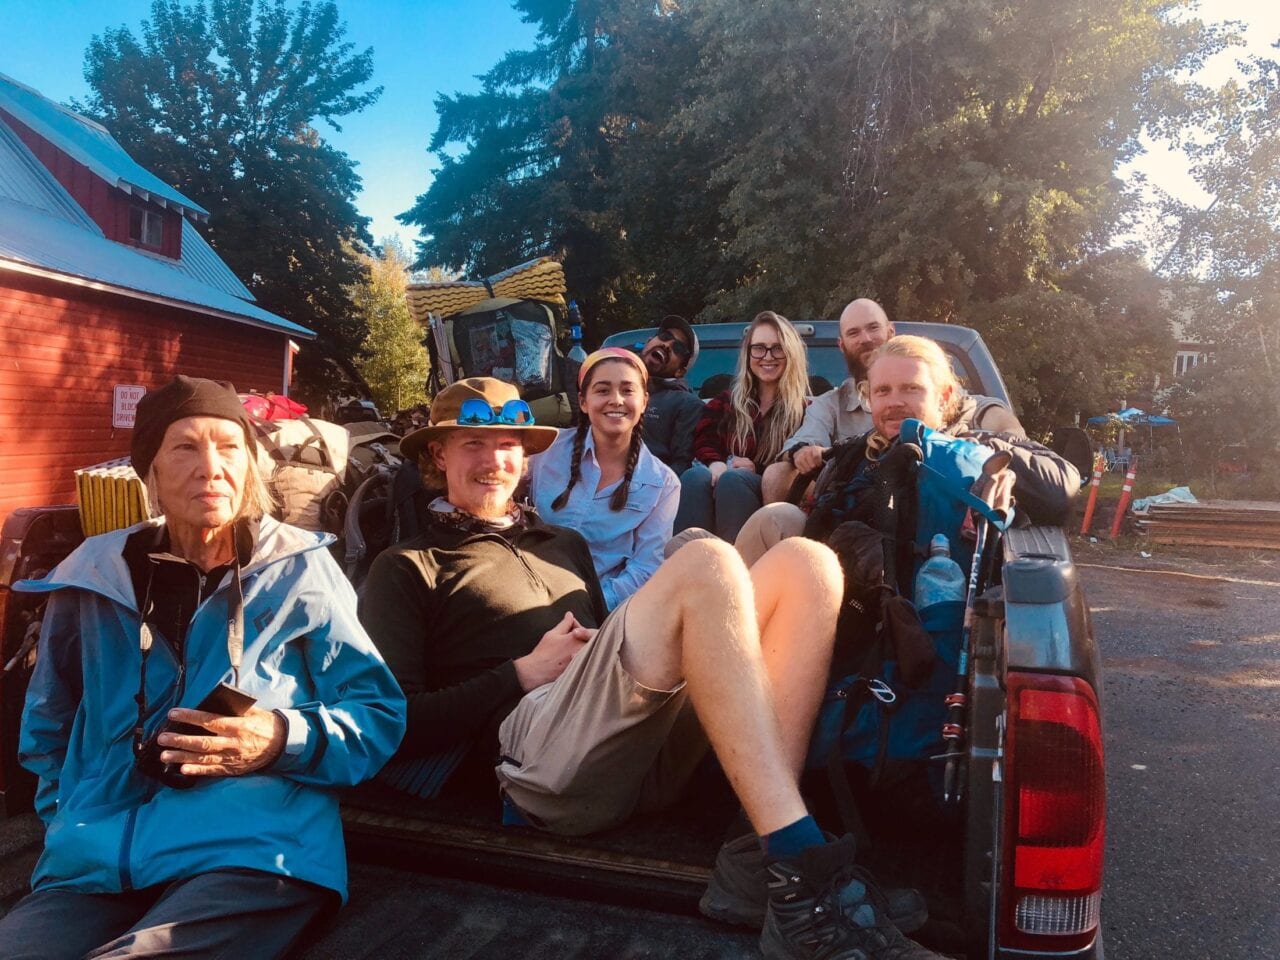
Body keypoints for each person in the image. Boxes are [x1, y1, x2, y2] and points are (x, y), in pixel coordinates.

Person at [361, 376, 948, 960]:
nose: (495, 460)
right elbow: (389, 726)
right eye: (473, 444)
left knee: (807, 562)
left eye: (509, 444)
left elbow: (608, 654)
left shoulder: (561, 543)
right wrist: (519, 674)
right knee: (705, 559)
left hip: (631, 751)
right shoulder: (409, 565)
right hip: (537, 766)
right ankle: (805, 876)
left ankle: (756, 864)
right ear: (437, 454)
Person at [1, 376, 406, 960]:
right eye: (185, 447)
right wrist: (68, 819)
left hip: (251, 849)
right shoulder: (90, 579)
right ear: (151, 473)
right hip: (96, 857)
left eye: (228, 446)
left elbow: (376, 716)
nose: (210, 466)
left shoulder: (300, 571)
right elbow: (48, 726)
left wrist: (279, 738)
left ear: (249, 467)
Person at [737, 336, 1078, 565]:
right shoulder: (859, 454)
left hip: (930, 597)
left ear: (944, 396)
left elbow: (1062, 485)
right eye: (883, 390)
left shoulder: (976, 446)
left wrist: (985, 449)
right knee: (754, 526)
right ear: (869, 399)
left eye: (911, 388)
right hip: (845, 586)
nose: (895, 401)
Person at [760, 298, 1024, 503]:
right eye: (882, 391)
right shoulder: (829, 405)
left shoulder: (937, 394)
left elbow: (989, 413)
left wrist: (1004, 446)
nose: (865, 338)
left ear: (890, 331)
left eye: (873, 328)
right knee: (776, 475)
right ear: (842, 345)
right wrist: (804, 453)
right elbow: (802, 445)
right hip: (856, 507)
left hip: (931, 503)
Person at [528, 348, 680, 609]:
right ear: (583, 401)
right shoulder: (545, 451)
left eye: (627, 390)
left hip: (599, 612)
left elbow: (645, 569)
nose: (616, 400)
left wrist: (587, 605)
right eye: (602, 390)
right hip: (528, 594)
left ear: (644, 402)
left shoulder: (662, 484)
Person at [675, 311, 808, 541]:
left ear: (791, 353)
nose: (767, 356)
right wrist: (715, 463)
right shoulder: (727, 402)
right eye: (759, 348)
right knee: (694, 477)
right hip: (720, 482)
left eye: (777, 348)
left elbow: (796, 463)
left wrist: (756, 467)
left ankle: (735, 569)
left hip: (768, 500)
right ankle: (686, 566)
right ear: (748, 354)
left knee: (733, 480)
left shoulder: (805, 410)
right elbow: (704, 437)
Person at [631, 314, 705, 475]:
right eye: (665, 336)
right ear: (649, 341)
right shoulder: (611, 381)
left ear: (680, 371)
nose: (667, 345)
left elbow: (681, 466)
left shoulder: (687, 404)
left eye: (678, 348)